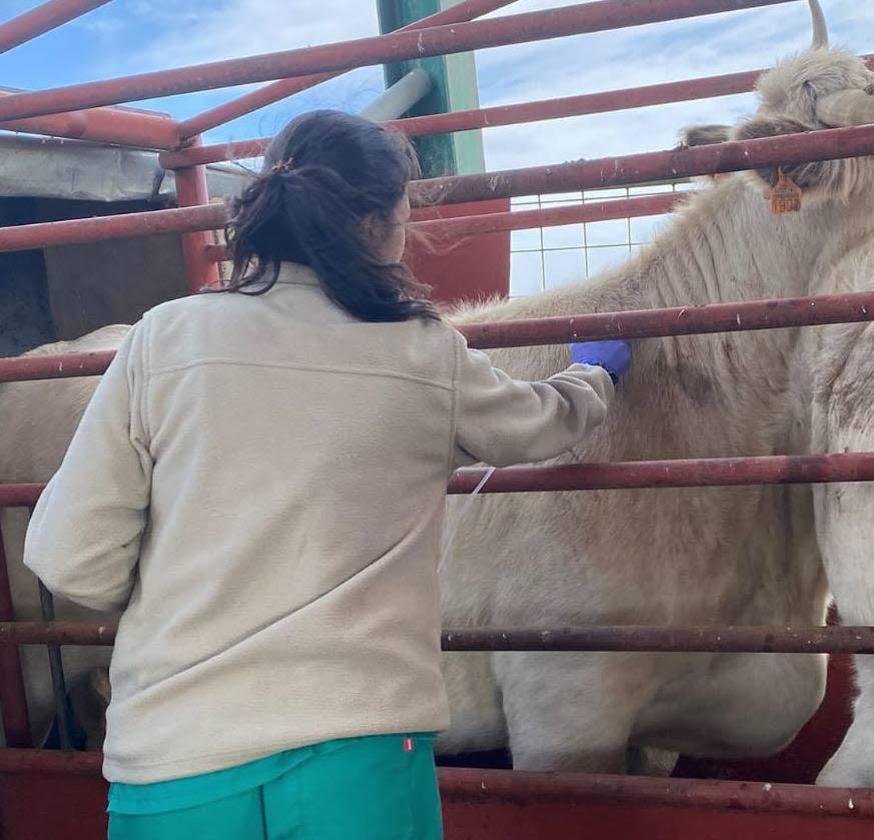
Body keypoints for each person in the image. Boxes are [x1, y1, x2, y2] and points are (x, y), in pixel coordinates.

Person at [24, 109, 631, 840]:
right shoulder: (420, 352)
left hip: (173, 771)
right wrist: (595, 374)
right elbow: (538, 423)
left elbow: (70, 562)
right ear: (376, 225)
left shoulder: (164, 339)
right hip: (360, 764)